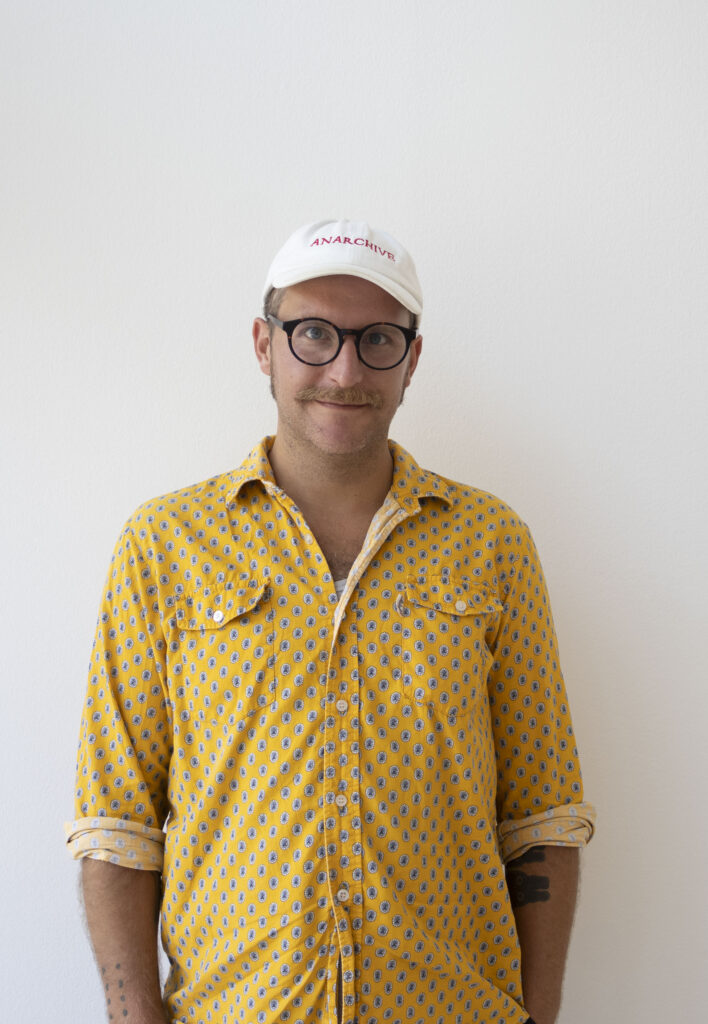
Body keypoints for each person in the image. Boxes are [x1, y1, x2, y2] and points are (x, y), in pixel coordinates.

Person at [66, 220, 595, 1024]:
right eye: (313, 333)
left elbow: (542, 819)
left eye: (378, 338)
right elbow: (117, 828)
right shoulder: (165, 545)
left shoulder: (493, 545)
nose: (344, 370)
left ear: (412, 359)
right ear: (263, 343)